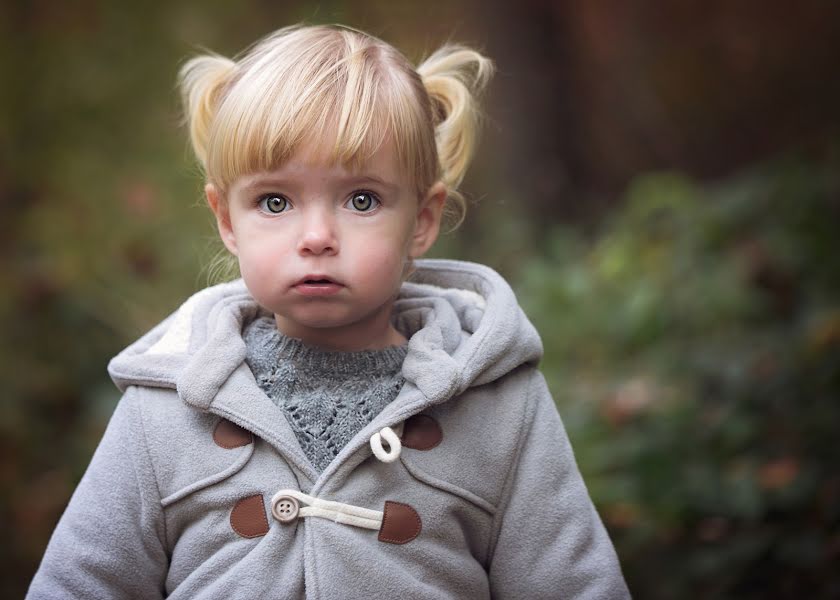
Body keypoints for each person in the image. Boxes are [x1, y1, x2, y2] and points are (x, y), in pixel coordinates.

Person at [27, 23, 630, 599]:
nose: (316, 235)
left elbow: (573, 585)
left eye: (361, 199)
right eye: (274, 200)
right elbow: (80, 583)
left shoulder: (497, 403)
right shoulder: (166, 405)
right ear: (226, 220)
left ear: (421, 221)